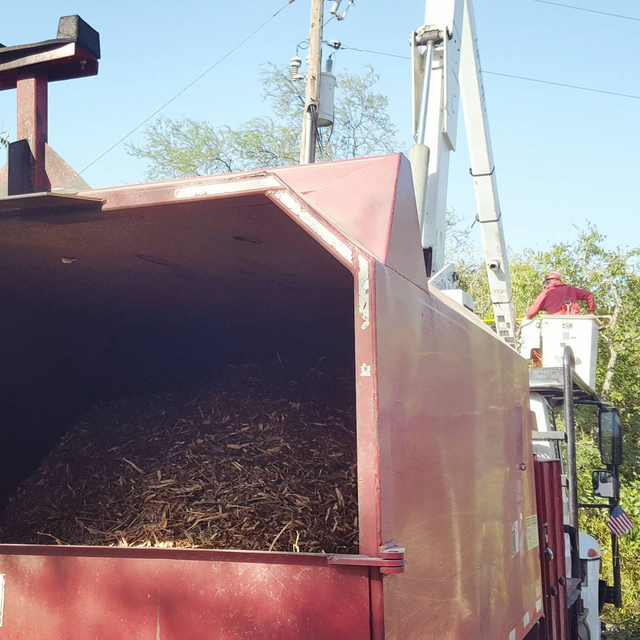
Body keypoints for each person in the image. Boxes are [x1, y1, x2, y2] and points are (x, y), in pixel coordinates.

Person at [525, 272, 595, 319]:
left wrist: (527, 318)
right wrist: (591, 313)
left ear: (547, 281)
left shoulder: (546, 293)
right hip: (575, 321)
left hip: (555, 323)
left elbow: (531, 312)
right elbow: (589, 295)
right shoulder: (572, 290)